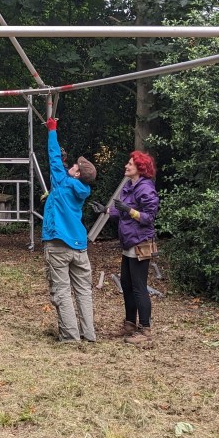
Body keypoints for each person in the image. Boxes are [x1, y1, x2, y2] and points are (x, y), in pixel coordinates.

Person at [90, 151, 160, 348]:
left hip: (140, 243)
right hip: (128, 242)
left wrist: (129, 210)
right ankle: (130, 325)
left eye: (130, 164)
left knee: (139, 287)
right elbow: (122, 211)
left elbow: (148, 217)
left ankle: (145, 331)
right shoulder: (130, 185)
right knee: (127, 285)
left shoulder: (145, 188)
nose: (126, 166)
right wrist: (106, 210)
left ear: (140, 168)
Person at [41, 117, 98, 343]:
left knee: (62, 291)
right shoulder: (80, 188)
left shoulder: (61, 182)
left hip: (58, 244)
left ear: (76, 174)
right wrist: (66, 164)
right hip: (79, 246)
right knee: (84, 291)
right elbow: (63, 170)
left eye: (74, 166)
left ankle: (70, 336)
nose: (73, 165)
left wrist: (52, 131)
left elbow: (54, 159)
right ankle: (89, 334)